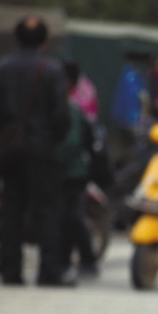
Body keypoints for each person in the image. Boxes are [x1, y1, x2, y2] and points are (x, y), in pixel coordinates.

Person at [0, 16, 71, 286]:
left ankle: (11, 270)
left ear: (16, 38)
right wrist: (54, 140)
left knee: (11, 211)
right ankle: (49, 271)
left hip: (9, 152)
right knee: (47, 211)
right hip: (42, 151)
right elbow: (61, 116)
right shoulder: (52, 71)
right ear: (44, 40)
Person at [57, 60, 98, 278]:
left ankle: (86, 259)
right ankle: (65, 260)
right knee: (65, 218)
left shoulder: (72, 111)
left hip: (72, 173)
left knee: (71, 218)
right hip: (65, 172)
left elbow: (73, 144)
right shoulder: (62, 108)